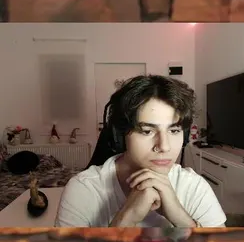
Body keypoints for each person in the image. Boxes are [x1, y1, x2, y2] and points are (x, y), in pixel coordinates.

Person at [55, 75, 226, 228]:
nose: (164, 146)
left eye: (174, 130)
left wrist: (181, 218)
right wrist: (126, 218)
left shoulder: (193, 186)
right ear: (120, 135)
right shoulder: (84, 189)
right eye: (147, 131)